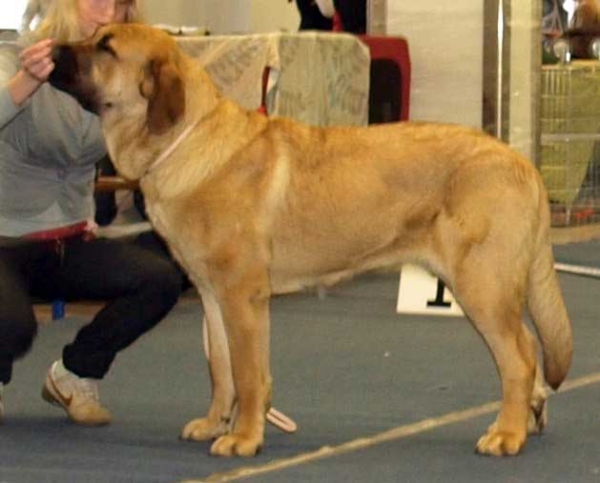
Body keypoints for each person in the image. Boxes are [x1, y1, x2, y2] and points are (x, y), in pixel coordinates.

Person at [0, 0, 184, 425]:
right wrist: (26, 82)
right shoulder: (16, 55)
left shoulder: (125, 75)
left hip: (72, 237)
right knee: (13, 327)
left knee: (161, 278)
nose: (106, 11)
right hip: (6, 238)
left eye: (119, 3)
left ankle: (74, 373)